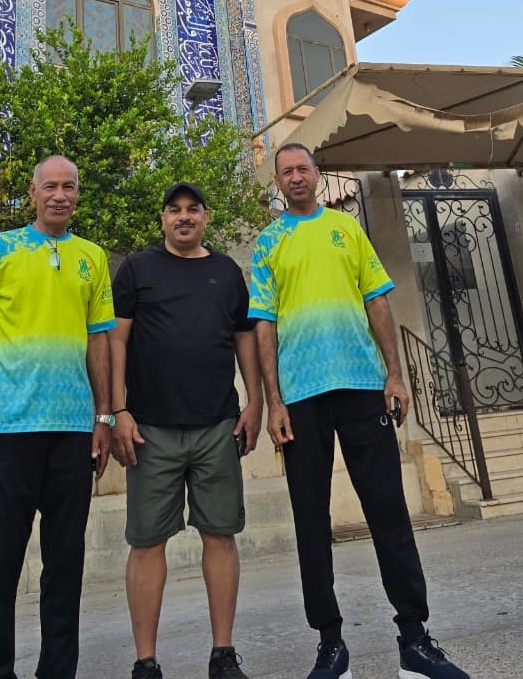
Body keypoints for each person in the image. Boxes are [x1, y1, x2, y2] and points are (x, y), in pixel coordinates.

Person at [249, 143, 471, 679]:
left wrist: (395, 374)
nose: (296, 177)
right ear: (277, 182)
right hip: (301, 397)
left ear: (317, 174)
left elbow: (377, 299)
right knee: (310, 520)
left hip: (362, 387)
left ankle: (414, 640)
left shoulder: (347, 229)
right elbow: (263, 324)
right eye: (286, 171)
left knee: (388, 510)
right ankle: (331, 646)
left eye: (303, 169)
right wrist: (274, 401)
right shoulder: (268, 242)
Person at [0, 154, 115, 679]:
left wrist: (104, 418)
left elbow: (100, 339)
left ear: (78, 193)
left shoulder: (92, 257)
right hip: (5, 431)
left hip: (72, 434)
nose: (59, 195)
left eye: (69, 186)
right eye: (50, 186)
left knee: (65, 569)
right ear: (33, 192)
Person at [110, 181, 263, 679]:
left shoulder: (227, 272)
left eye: (192, 209)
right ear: (162, 219)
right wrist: (117, 410)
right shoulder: (137, 269)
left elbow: (244, 337)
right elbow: (116, 342)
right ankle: (146, 662)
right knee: (146, 543)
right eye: (174, 210)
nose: (183, 217)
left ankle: (223, 655)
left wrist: (255, 401)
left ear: (205, 217)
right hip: (150, 430)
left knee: (220, 536)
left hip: (218, 426)